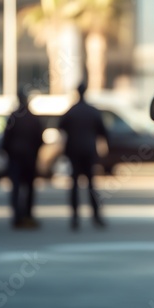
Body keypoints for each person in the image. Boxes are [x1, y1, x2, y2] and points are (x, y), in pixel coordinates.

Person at [59, 82, 109, 230]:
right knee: (91, 185)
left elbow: (61, 127)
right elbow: (104, 132)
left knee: (74, 185)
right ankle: (96, 217)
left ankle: (75, 218)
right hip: (88, 151)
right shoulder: (92, 111)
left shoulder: (72, 111)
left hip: (74, 151)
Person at [2, 86, 43, 229]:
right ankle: (28, 215)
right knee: (29, 188)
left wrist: (9, 153)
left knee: (16, 188)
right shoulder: (33, 118)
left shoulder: (13, 117)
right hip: (29, 158)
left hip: (16, 158)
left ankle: (17, 217)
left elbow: (5, 140)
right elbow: (39, 139)